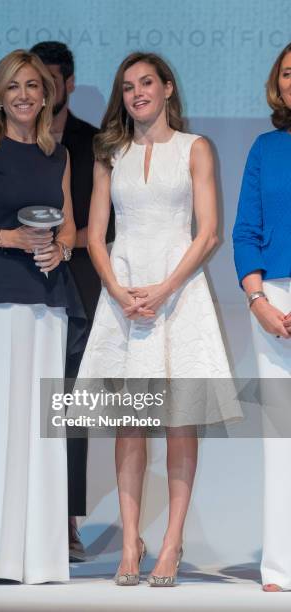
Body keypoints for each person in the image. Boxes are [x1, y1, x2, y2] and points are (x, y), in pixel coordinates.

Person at [74, 51, 240, 586]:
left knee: (178, 421)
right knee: (128, 423)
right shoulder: (109, 152)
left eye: (147, 82)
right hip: (123, 295)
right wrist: (120, 292)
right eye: (127, 86)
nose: (137, 92)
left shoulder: (196, 148)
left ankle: (170, 543)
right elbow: (95, 234)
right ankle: (129, 543)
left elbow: (209, 231)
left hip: (178, 292)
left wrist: (164, 290)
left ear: (168, 88)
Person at [0, 49, 84, 584]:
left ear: (47, 94)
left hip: (47, 300)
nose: (24, 95)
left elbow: (69, 227)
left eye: (33, 86)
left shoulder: (60, 156)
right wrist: (11, 239)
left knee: (41, 428)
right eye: (13, 88)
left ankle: (38, 556)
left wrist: (60, 250)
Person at [30, 40, 114, 562]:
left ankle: (66, 522)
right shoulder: (10, 138)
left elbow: (108, 227)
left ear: (69, 83)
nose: (46, 88)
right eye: (37, 78)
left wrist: (64, 241)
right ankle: (24, 515)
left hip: (79, 284)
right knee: (24, 402)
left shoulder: (94, 141)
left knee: (70, 407)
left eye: (54, 79)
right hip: (19, 284)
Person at [233, 42, 291, 593]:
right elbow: (244, 232)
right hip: (272, 303)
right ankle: (282, 565)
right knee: (282, 436)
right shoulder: (265, 148)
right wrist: (259, 300)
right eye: (289, 74)